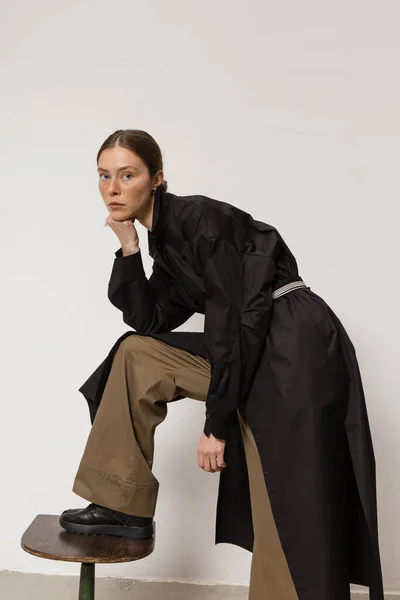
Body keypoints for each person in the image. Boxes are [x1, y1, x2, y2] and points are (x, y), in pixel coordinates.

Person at [59, 129, 384, 600]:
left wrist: (217, 424)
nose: (113, 187)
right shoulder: (164, 243)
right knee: (137, 354)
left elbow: (238, 322)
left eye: (127, 175)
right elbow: (150, 319)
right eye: (104, 176)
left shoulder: (201, 221)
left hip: (295, 345)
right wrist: (129, 248)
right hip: (253, 342)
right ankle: (121, 505)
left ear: (156, 180)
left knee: (284, 496)